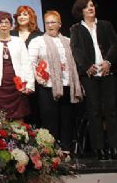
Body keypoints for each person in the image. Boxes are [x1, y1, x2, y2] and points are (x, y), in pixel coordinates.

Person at [70, 0, 117, 160]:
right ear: (81, 11)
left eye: (92, 5)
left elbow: (115, 44)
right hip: (90, 75)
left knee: (111, 110)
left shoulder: (105, 25)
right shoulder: (76, 29)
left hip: (107, 72)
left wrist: (108, 62)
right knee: (94, 112)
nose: (90, 8)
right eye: (86, 7)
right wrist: (86, 66)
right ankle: (99, 148)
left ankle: (115, 147)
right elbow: (76, 49)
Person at [28, 10, 83, 152]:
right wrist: (38, 78)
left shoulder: (68, 41)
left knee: (66, 120)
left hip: (67, 85)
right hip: (47, 86)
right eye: (47, 23)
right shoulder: (37, 41)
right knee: (49, 120)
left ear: (60, 24)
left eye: (53, 22)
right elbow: (31, 63)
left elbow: (75, 62)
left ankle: (65, 149)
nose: (50, 25)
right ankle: (50, 151)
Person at [0, 11, 34, 122]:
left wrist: (30, 84)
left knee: (19, 117)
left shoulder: (19, 41)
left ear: (11, 25)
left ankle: (19, 139)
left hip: (18, 85)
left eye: (7, 22)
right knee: (2, 119)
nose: (4, 25)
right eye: (0, 22)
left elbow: (26, 63)